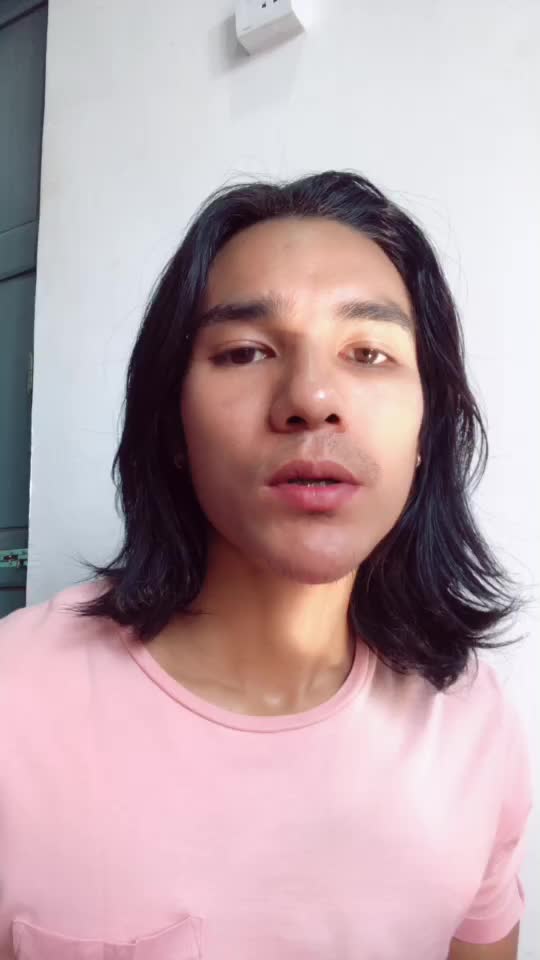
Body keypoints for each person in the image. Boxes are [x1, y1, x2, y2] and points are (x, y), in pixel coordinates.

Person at [0, 171, 532, 960]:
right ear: (172, 425)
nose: (311, 398)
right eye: (246, 351)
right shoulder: (15, 700)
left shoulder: (472, 722)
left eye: (369, 352)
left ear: (428, 430)